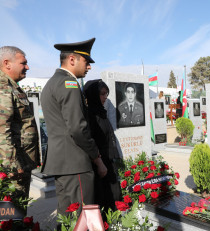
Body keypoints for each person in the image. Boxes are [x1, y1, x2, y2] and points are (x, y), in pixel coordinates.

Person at [41, 38, 107, 216]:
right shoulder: (68, 83)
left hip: (63, 163)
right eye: (86, 62)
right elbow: (78, 129)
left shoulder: (52, 83)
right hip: (75, 163)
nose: (89, 67)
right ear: (72, 60)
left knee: (68, 217)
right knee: (81, 218)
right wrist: (97, 158)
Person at [0, 46, 40, 202]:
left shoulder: (12, 87)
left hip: (20, 164)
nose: (27, 67)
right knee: (12, 214)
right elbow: (2, 131)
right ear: (7, 63)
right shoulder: (3, 87)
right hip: (14, 169)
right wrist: (12, 166)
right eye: (23, 63)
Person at [83, 79, 121, 211]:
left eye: (106, 94)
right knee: (103, 201)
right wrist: (99, 163)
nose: (105, 97)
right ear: (93, 94)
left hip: (108, 163)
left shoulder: (101, 112)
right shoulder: (89, 116)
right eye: (102, 94)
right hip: (100, 166)